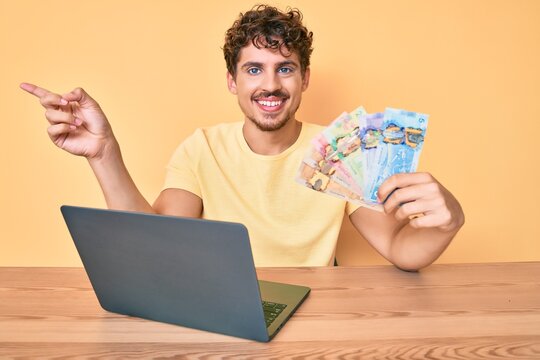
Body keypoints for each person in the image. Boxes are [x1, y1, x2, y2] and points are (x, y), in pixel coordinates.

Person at [20, 5, 464, 270]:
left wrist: (450, 221)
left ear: (304, 78)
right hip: (223, 312)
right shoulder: (202, 147)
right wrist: (103, 153)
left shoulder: (339, 152)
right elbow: (158, 243)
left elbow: (401, 249)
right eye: (254, 69)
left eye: (284, 68)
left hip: (319, 314)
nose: (269, 85)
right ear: (233, 82)